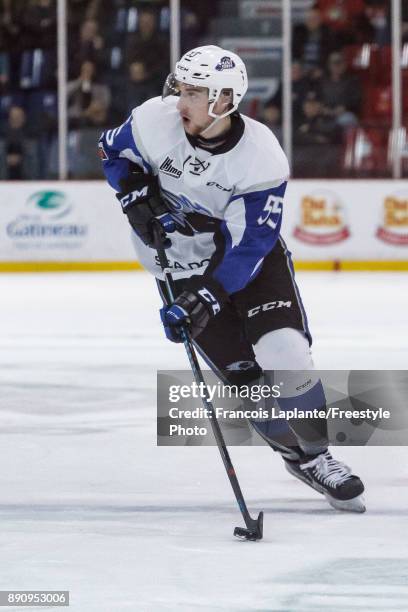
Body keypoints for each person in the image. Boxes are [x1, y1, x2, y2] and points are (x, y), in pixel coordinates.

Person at [99, 45, 365, 513]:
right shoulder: (154, 119)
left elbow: (251, 247)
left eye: (195, 92)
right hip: (177, 266)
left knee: (286, 353)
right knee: (249, 384)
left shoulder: (260, 156)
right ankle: (294, 456)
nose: (181, 101)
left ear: (224, 100)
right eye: (181, 88)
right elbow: (111, 151)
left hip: (247, 264)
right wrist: (132, 193)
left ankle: (320, 455)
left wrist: (207, 298)